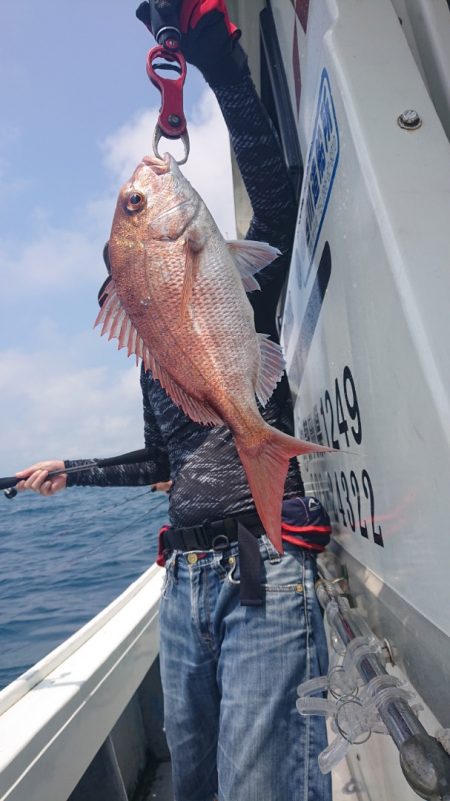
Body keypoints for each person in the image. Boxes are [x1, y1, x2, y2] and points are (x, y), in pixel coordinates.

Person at [16, 2, 332, 799]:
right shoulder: (158, 360)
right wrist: (74, 469)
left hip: (264, 564)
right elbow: (163, 460)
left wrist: (218, 59)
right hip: (182, 578)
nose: (137, 299)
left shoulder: (232, 289)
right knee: (193, 783)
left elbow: (279, 198)